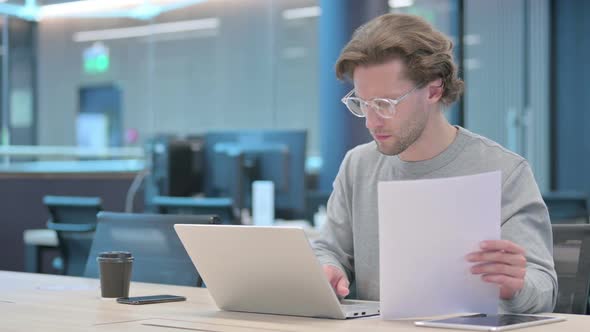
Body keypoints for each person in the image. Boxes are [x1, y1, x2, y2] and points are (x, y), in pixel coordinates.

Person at [312, 13, 557, 314]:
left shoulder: (505, 171)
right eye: (363, 103)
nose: (372, 121)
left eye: (385, 104)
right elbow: (328, 250)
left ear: (433, 89)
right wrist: (327, 269)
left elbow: (544, 286)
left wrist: (516, 286)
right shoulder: (358, 165)